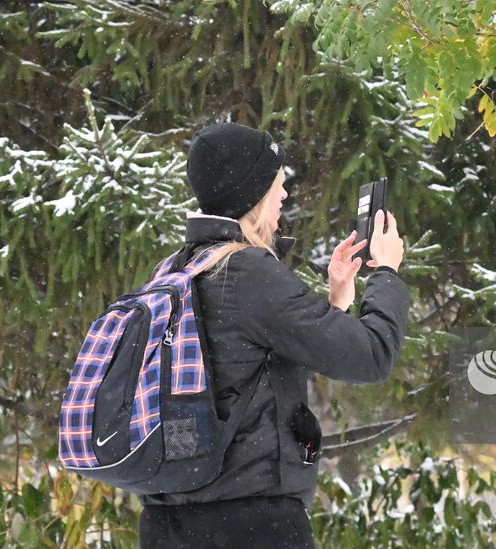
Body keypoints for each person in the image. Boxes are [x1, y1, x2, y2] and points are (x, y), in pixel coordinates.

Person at [137, 121, 409, 548]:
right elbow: (372, 355)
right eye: (276, 183)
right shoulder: (247, 272)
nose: (283, 194)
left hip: (166, 522)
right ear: (252, 194)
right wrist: (387, 272)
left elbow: (245, 371)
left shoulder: (174, 270)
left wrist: (336, 300)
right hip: (251, 526)